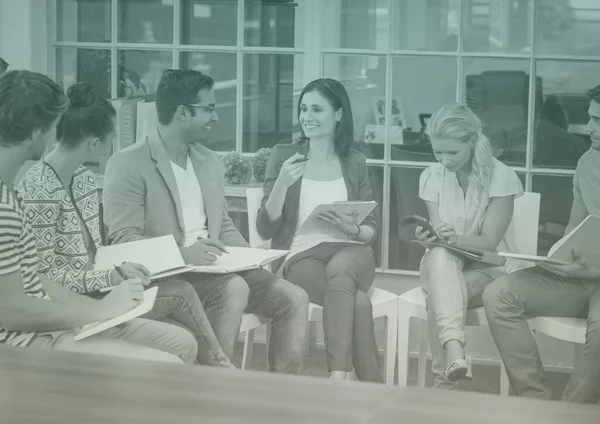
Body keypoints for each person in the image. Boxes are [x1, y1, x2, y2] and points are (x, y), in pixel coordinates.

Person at [102, 69, 309, 374]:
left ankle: (283, 395)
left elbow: (222, 224)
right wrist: (182, 254)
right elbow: (122, 239)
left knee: (294, 296)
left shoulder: (209, 161)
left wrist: (252, 258)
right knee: (233, 288)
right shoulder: (128, 163)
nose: (215, 118)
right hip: (169, 276)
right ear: (182, 113)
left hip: (217, 267)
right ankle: (213, 388)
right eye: (209, 109)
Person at [17, 82, 232, 368]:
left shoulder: (82, 179)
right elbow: (43, 278)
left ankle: (216, 374)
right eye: (111, 138)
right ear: (95, 144)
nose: (114, 146)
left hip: (98, 292)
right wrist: (110, 277)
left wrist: (121, 270)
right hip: (71, 309)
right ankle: (222, 373)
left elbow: (94, 256)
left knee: (184, 337)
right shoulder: (38, 189)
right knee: (181, 309)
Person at [256, 78, 382, 382]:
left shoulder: (354, 161)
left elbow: (371, 229)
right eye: (303, 109)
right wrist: (282, 184)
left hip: (351, 250)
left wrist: (353, 230)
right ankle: (368, 386)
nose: (306, 117)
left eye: (317, 109)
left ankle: (337, 379)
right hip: (301, 256)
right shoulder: (285, 156)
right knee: (358, 302)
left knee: (342, 271)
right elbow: (264, 228)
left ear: (338, 114)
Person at [482, 85, 600, 404]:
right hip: (578, 277)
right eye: (590, 118)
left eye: (598, 120)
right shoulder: (587, 163)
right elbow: (575, 230)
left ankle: (573, 412)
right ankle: (537, 404)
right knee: (499, 294)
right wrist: (557, 256)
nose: (589, 127)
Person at [415, 103, 523, 388]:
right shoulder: (432, 175)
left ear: (472, 141)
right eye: (438, 151)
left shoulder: (501, 177)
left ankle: (444, 382)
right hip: (439, 265)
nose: (444, 160)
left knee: (437, 298)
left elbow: (489, 243)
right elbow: (439, 233)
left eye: (452, 152)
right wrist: (430, 237)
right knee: (439, 253)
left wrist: (454, 239)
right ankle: (454, 351)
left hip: (486, 268)